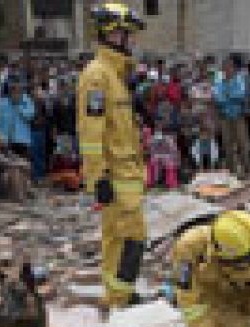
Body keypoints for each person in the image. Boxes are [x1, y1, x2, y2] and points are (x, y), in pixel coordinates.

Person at [77, 2, 147, 308]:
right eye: (127, 34)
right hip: (116, 176)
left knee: (118, 239)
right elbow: (91, 133)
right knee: (131, 239)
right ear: (112, 34)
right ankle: (120, 297)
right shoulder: (98, 76)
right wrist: (98, 177)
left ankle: (118, 295)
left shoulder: (115, 75)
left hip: (127, 174)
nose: (131, 40)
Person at [214, 58, 250, 177]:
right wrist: (229, 96)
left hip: (238, 116)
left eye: (229, 66)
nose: (226, 69)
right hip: (225, 116)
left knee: (242, 143)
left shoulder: (239, 80)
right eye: (225, 67)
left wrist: (228, 95)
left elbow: (240, 95)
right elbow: (218, 98)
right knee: (227, 144)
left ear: (234, 68)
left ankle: (247, 169)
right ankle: (232, 171)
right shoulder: (220, 82)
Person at [0, 79, 35, 159]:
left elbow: (30, 116)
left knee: (25, 166)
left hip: (22, 141)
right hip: (6, 142)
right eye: (13, 89)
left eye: (18, 89)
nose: (15, 91)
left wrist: (17, 105)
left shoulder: (27, 101)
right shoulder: (2, 103)